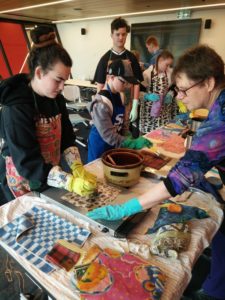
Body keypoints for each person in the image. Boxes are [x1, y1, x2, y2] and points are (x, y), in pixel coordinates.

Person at [87, 45, 225, 300]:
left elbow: (178, 180)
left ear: (209, 82)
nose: (180, 96)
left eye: (183, 89)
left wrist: (126, 209)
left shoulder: (220, 121)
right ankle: (215, 283)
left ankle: (215, 292)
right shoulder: (219, 107)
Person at [0, 25, 96, 205]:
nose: (62, 87)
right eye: (58, 79)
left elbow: (67, 136)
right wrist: (68, 181)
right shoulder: (16, 107)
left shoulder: (55, 97)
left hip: (50, 172)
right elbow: (27, 162)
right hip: (24, 179)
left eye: (65, 81)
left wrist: (76, 166)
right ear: (39, 72)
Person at [88, 59, 152, 163]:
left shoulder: (118, 95)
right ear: (111, 77)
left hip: (113, 145)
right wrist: (130, 143)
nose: (127, 86)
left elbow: (121, 121)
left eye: (129, 83)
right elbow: (108, 134)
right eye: (123, 82)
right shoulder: (101, 103)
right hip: (99, 146)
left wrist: (127, 134)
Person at [93, 17, 143, 123]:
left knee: (124, 133)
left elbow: (136, 83)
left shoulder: (131, 58)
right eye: (117, 34)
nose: (121, 37)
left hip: (127, 105)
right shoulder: (105, 59)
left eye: (123, 34)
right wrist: (98, 106)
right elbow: (100, 85)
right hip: (108, 104)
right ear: (111, 35)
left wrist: (134, 106)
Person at [139, 50, 177, 133]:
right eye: (166, 65)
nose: (168, 67)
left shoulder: (170, 74)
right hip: (148, 113)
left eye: (170, 65)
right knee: (148, 137)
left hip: (164, 112)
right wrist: (147, 96)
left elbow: (174, 89)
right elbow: (139, 92)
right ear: (160, 61)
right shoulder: (147, 73)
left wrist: (170, 95)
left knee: (162, 135)